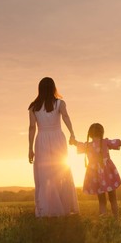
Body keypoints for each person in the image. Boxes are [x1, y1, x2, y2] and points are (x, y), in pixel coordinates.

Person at [28, 77, 79, 217]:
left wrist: (30, 148)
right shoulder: (59, 103)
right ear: (53, 88)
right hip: (57, 138)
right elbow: (66, 117)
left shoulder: (34, 107)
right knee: (61, 172)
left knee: (44, 174)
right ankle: (64, 207)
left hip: (42, 139)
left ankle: (46, 209)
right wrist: (72, 133)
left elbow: (32, 128)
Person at [70, 123, 121, 218]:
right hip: (108, 174)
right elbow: (120, 142)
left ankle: (103, 218)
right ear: (102, 132)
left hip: (95, 175)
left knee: (101, 200)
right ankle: (116, 217)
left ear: (89, 134)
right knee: (113, 198)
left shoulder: (88, 145)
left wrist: (72, 140)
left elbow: (77, 143)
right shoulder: (105, 142)